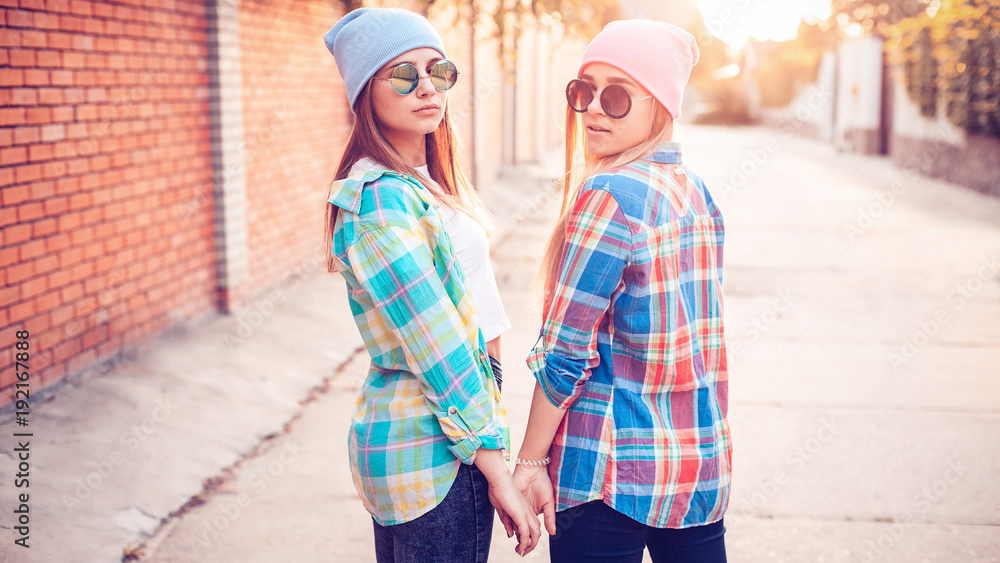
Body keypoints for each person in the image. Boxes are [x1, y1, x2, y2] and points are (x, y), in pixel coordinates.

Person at [512, 20, 732, 563]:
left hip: (607, 472)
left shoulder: (607, 195)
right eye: (584, 91)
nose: (592, 109)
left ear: (660, 104)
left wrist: (531, 462)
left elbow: (565, 352)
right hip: (698, 467)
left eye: (615, 95)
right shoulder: (695, 190)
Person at [322, 8, 538, 561]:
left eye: (438, 71)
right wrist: (497, 468)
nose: (426, 87)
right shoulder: (380, 202)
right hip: (437, 451)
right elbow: (437, 345)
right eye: (402, 75)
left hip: (448, 433)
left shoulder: (422, 184)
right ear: (364, 93)